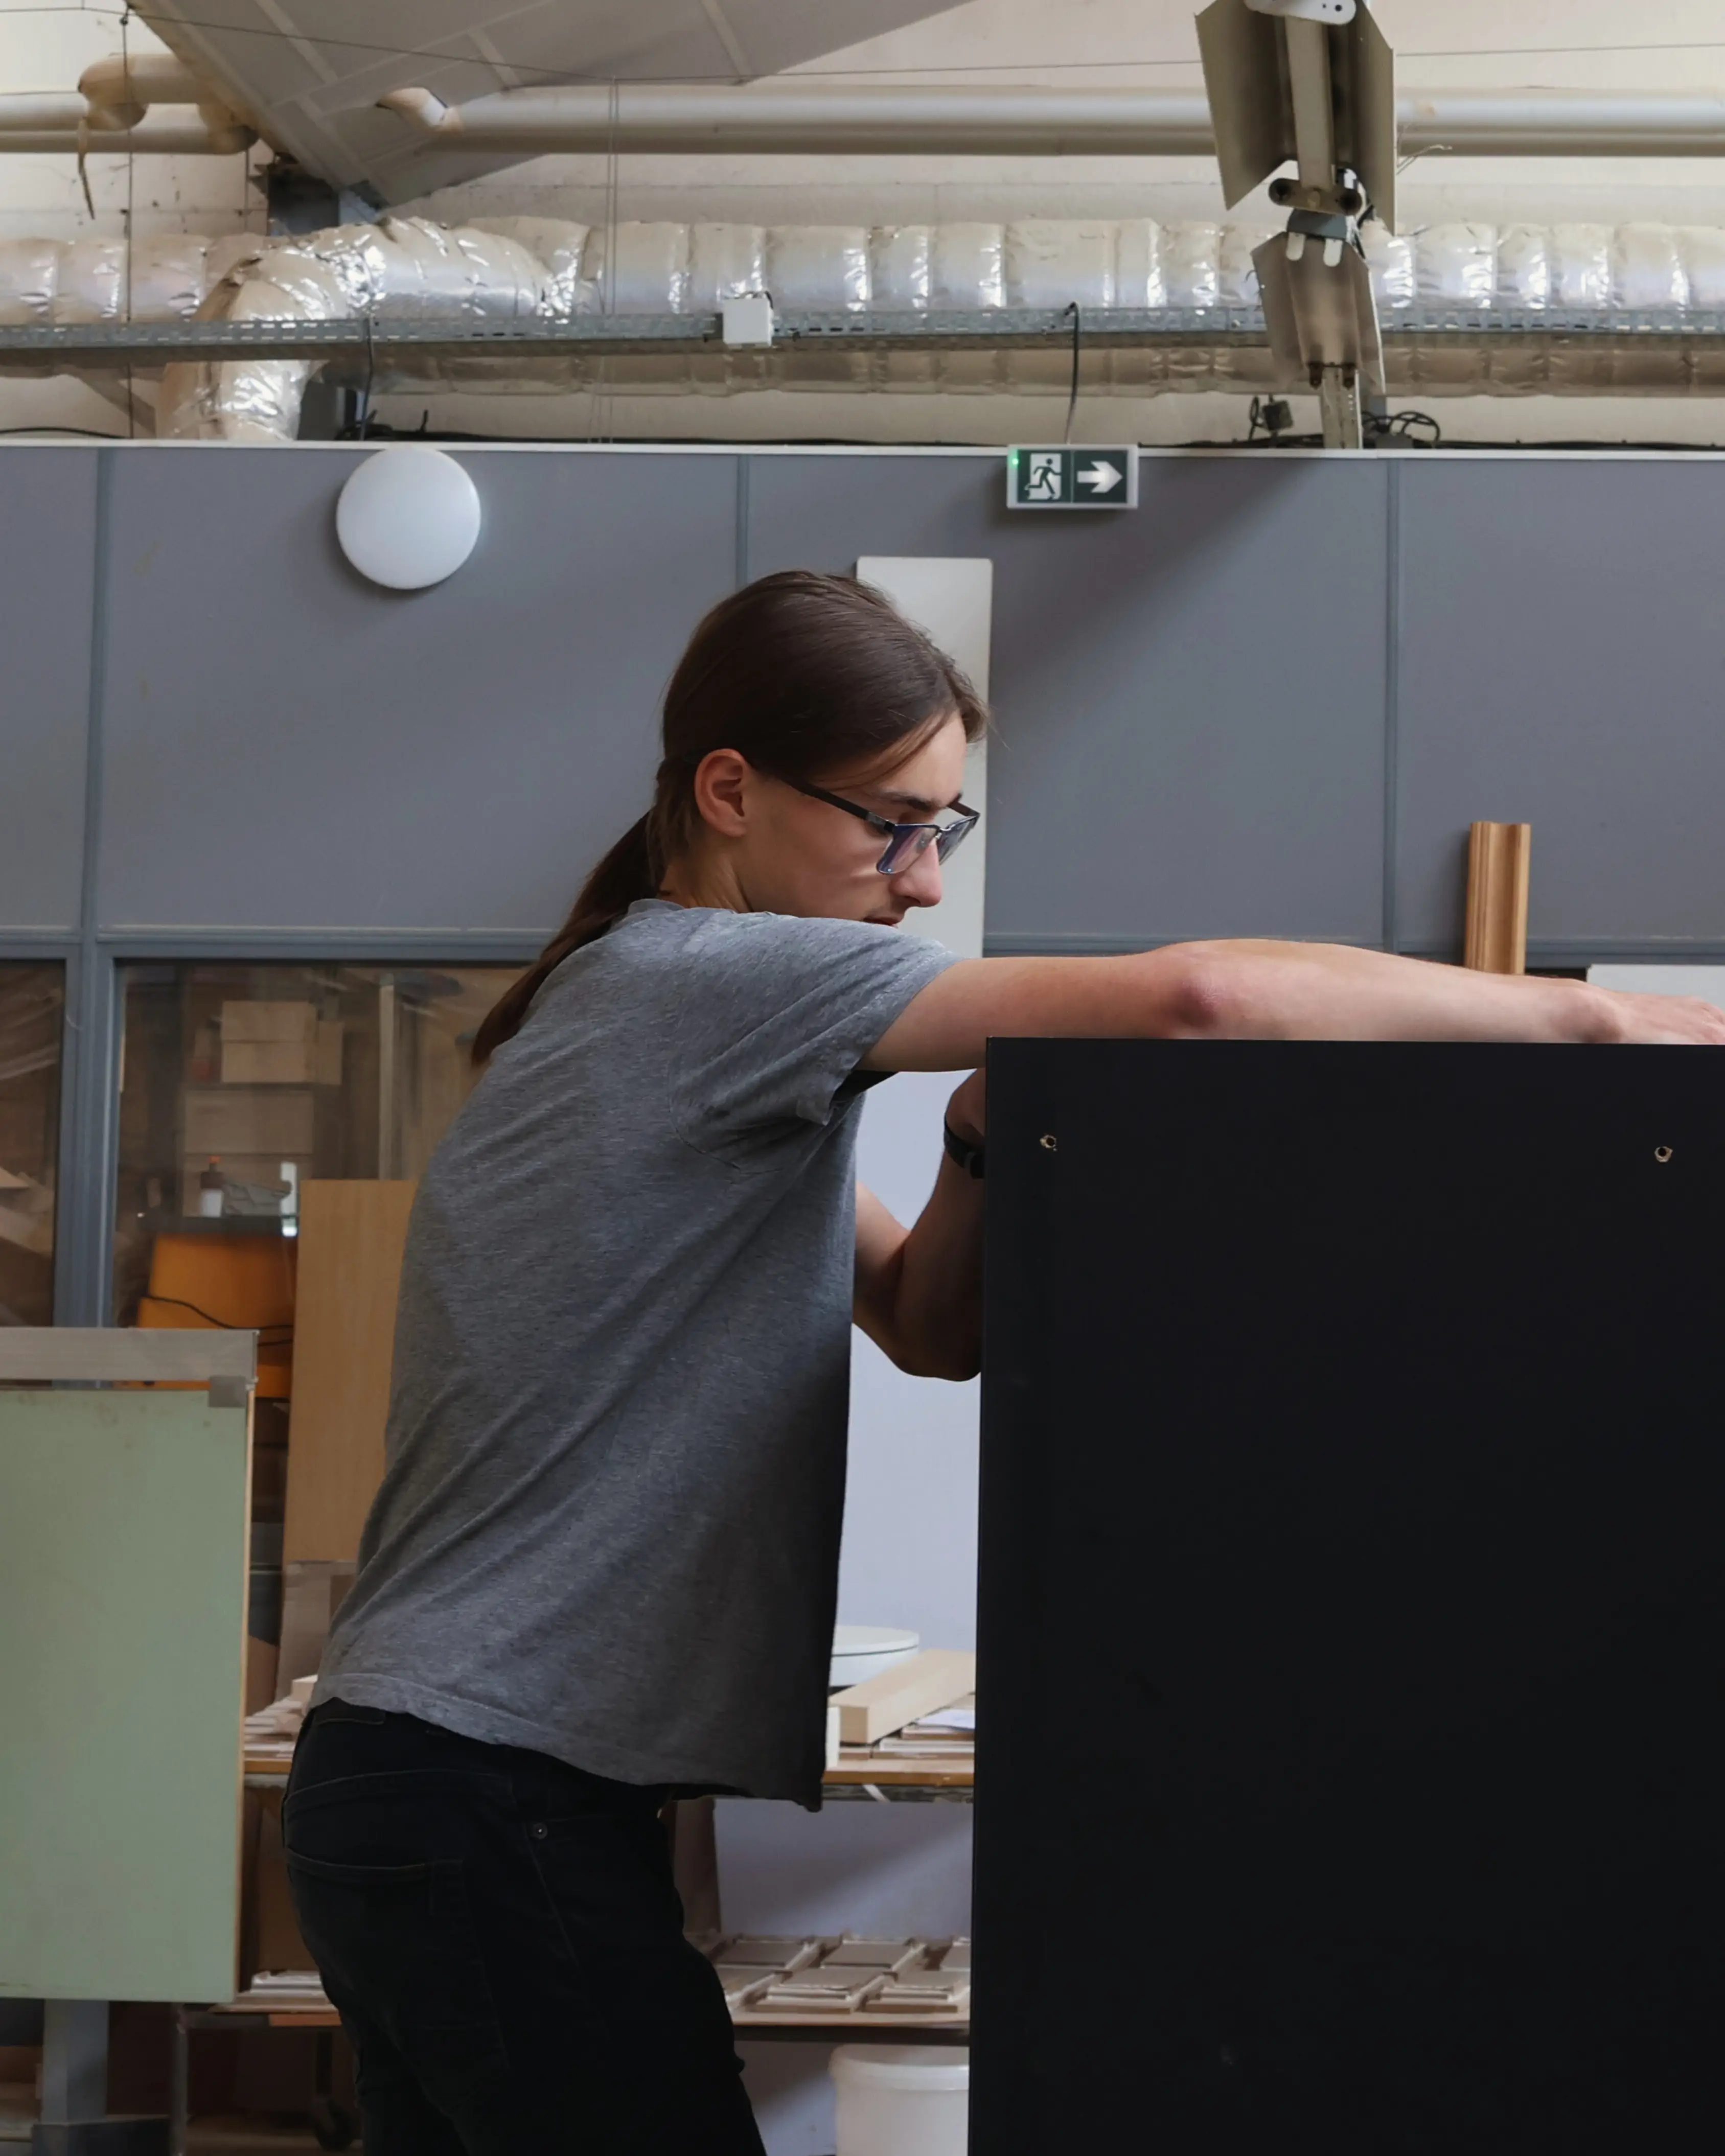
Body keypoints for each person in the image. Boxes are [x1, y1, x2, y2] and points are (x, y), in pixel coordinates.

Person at [283, 570, 1725, 2154]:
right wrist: (1584, 1028)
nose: (918, 883)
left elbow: (928, 1328)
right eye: (891, 827)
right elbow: (1200, 997)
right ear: (730, 792)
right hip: (490, 1787)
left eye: (943, 833)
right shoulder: (692, 976)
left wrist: (978, 1145)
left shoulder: (666, 1034)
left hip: (453, 1791)